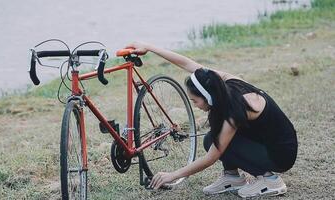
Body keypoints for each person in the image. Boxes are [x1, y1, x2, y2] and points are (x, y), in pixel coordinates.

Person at [125, 42, 298, 198]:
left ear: (208, 96)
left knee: (216, 143)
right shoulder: (219, 82)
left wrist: (173, 175)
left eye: (195, 101)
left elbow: (211, 158)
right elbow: (186, 63)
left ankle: (270, 180)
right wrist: (149, 47)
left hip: (281, 153)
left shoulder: (236, 109)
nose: (194, 105)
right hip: (265, 141)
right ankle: (233, 177)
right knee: (210, 139)